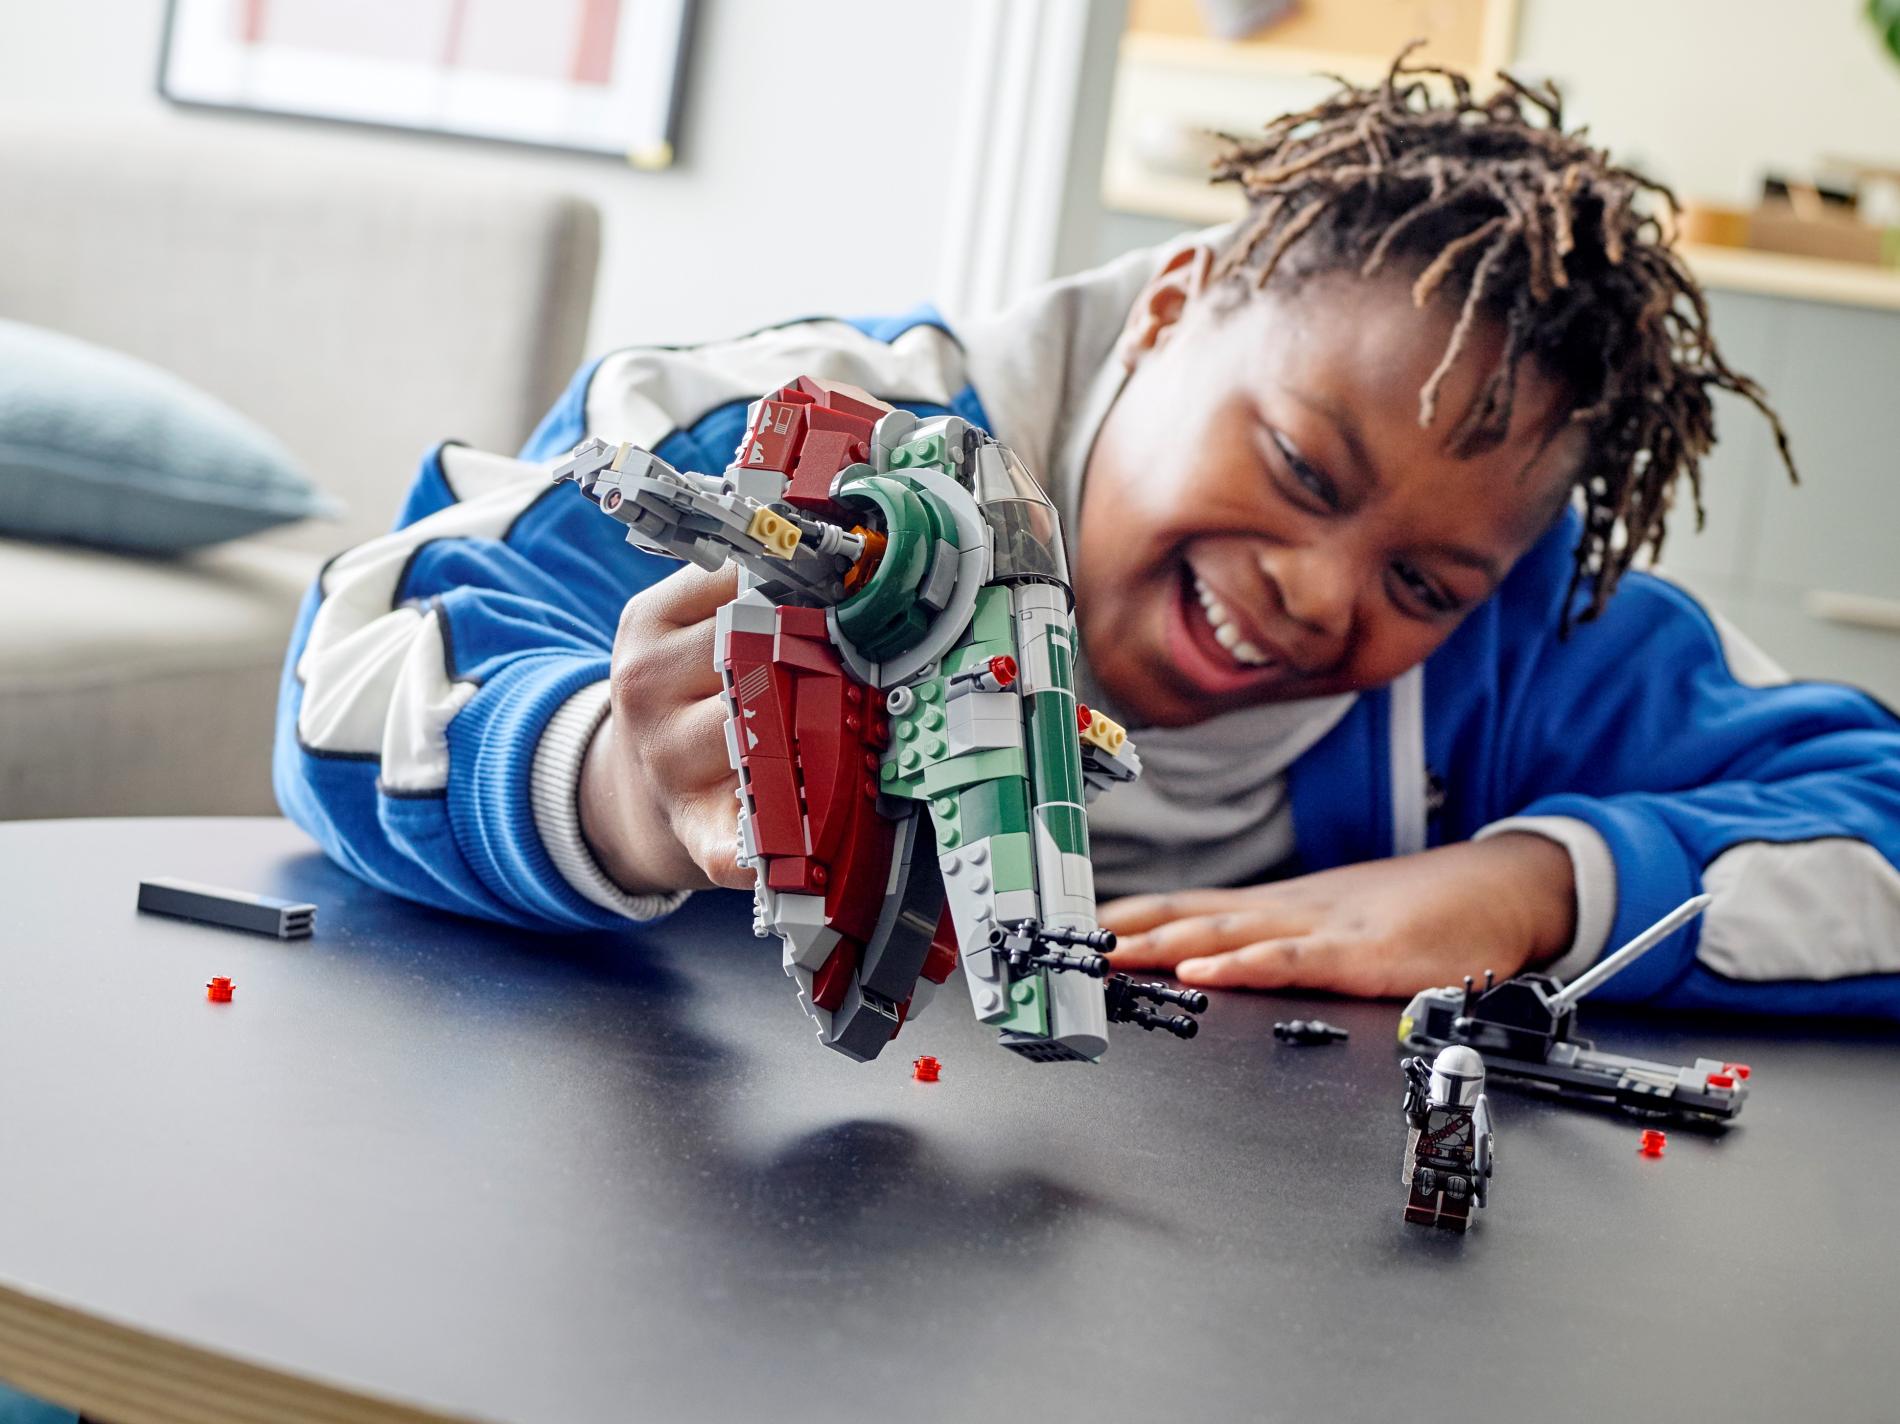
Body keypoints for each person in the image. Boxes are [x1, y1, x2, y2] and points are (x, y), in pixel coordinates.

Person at [275, 55, 1900, 1018]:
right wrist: (619, 787)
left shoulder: (1524, 629)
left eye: (1422, 580)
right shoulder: (798, 450)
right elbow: (360, 664)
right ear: (1175, 303)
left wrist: (1534, 886)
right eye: (1301, 467)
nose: (1319, 595)